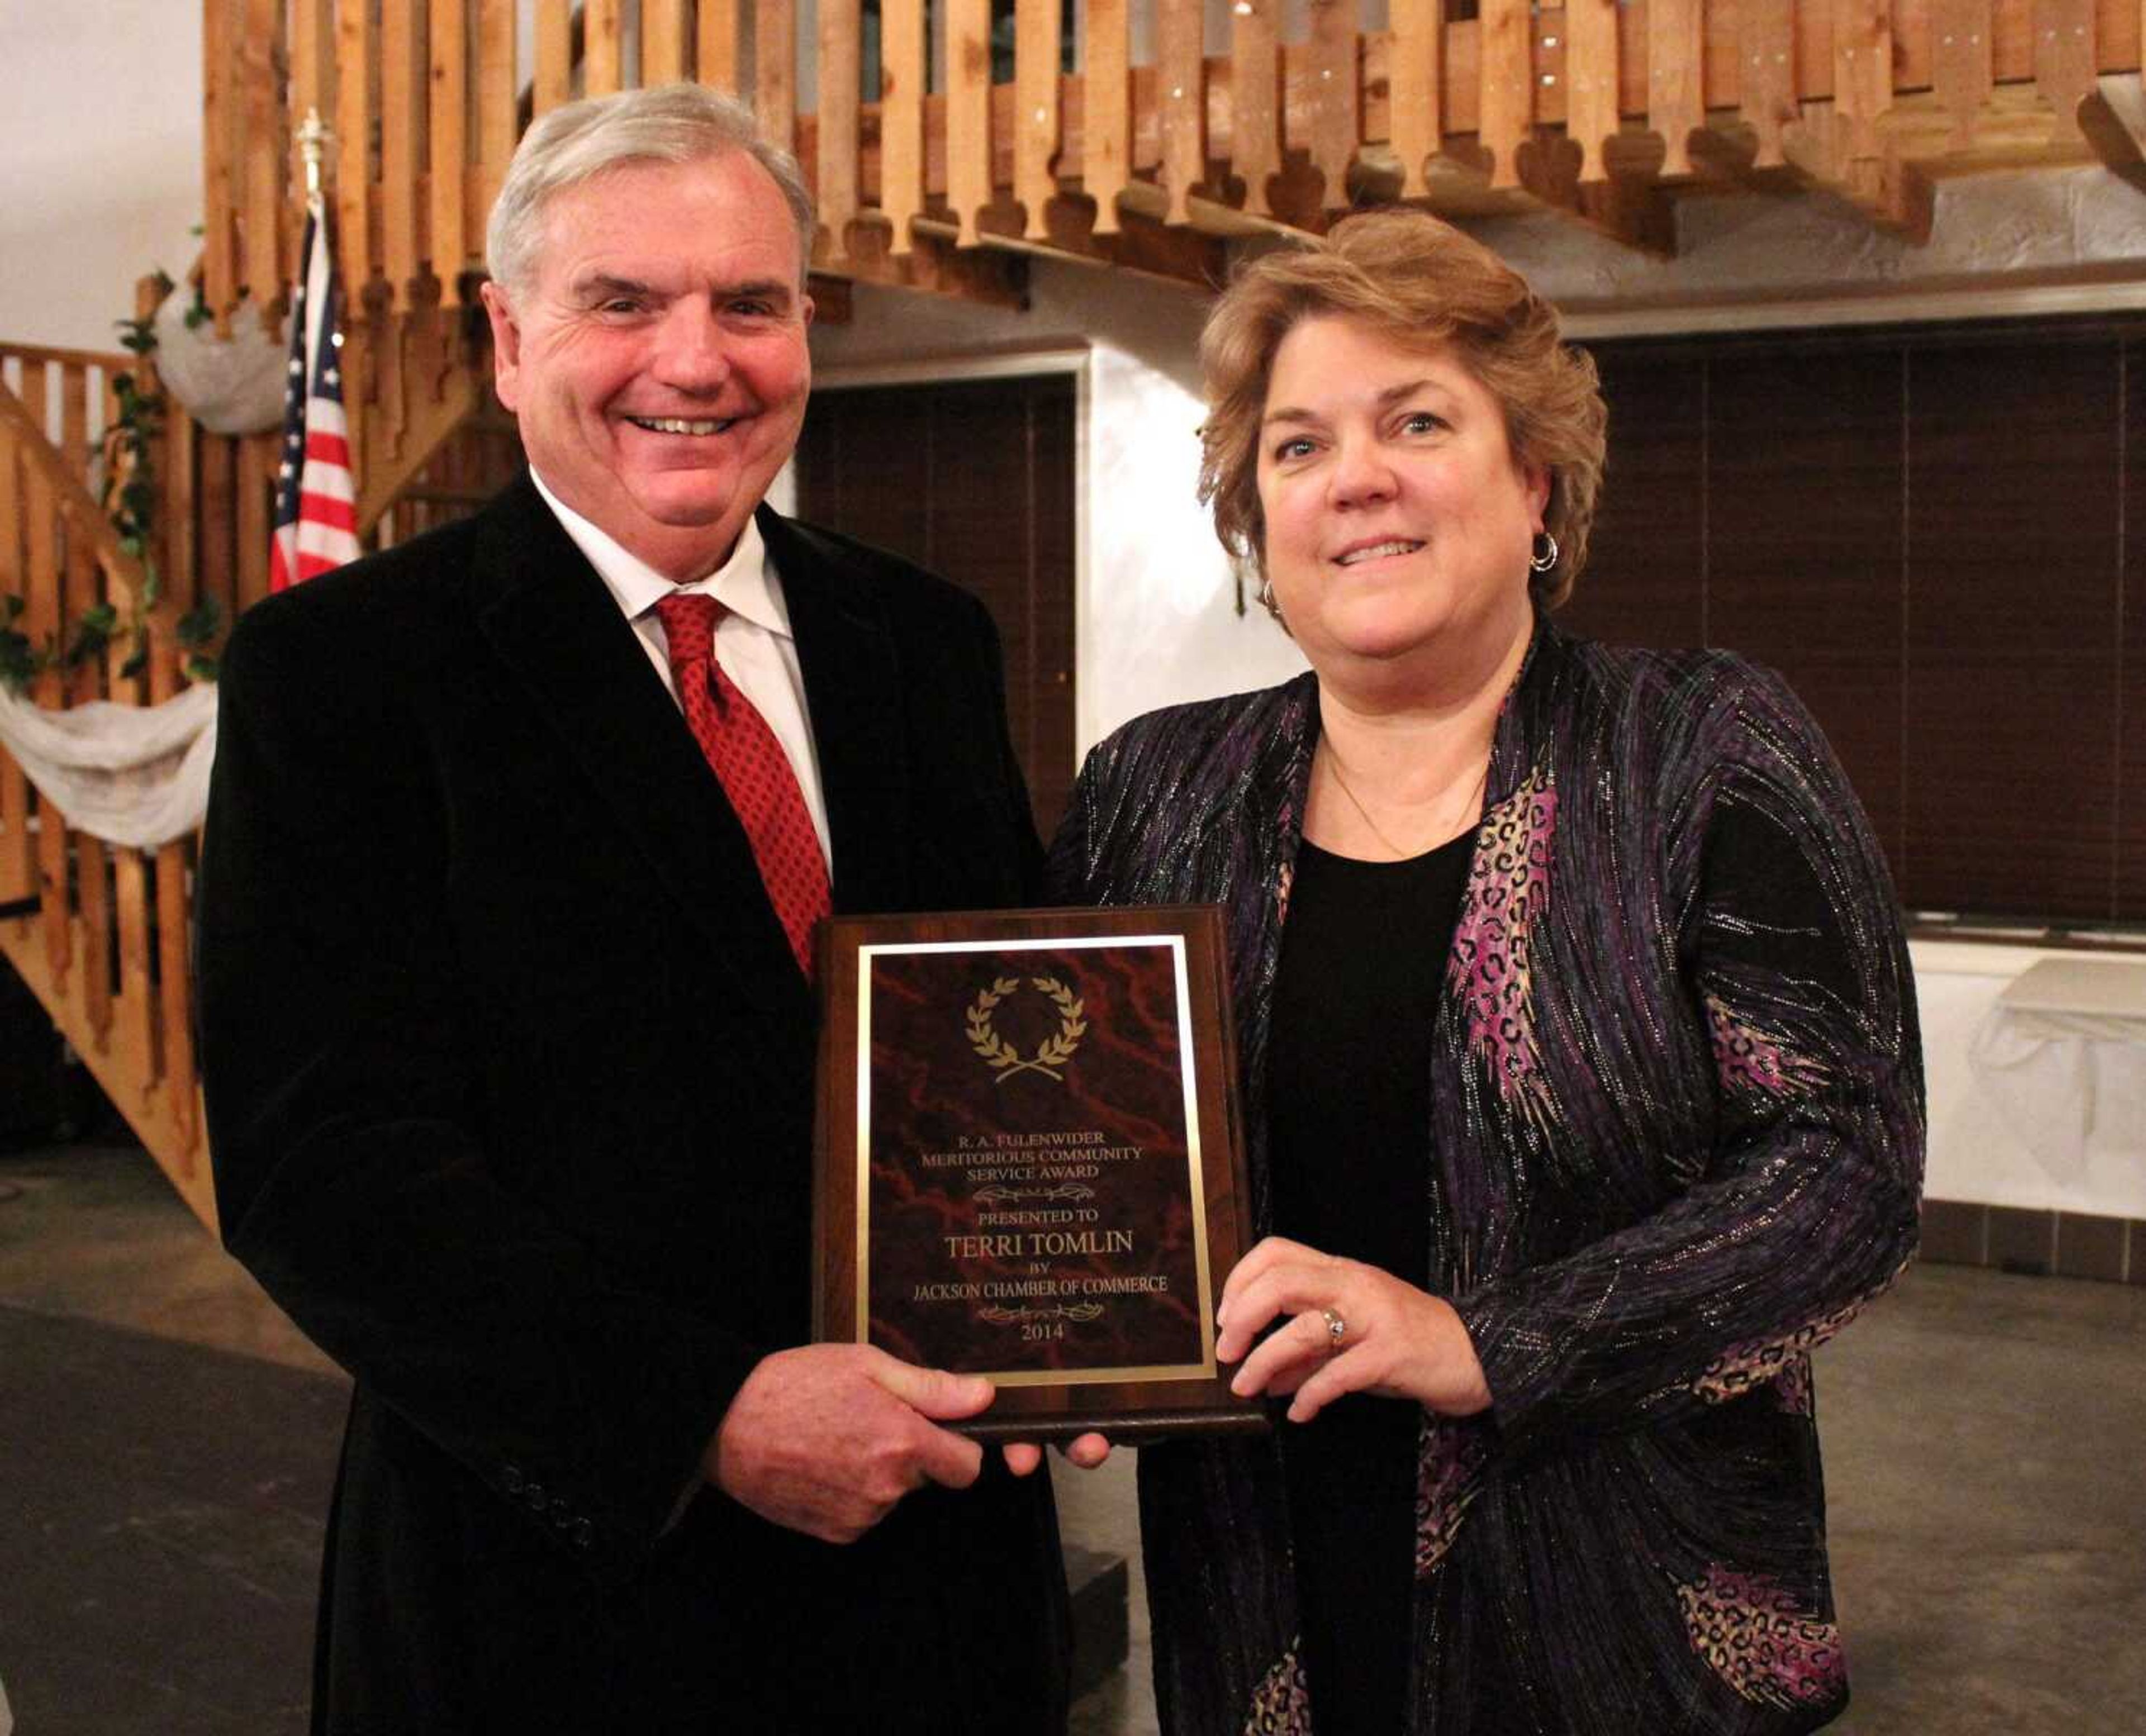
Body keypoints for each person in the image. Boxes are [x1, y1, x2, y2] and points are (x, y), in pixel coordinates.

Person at [198, 84, 1071, 1734]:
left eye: (751, 302)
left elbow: (981, 1056)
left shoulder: (925, 643)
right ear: (510, 337)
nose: (698, 358)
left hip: (936, 1589)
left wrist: (1080, 1315)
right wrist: (705, 1415)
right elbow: (324, 1162)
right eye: (624, 301)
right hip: (561, 1601)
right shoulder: (344, 674)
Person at [1047, 211, 1924, 1734]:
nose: (1358, 478)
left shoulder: (1701, 748)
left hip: (1628, 1594)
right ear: (1260, 521)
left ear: (1535, 483)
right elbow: (1057, 1128)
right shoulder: (1149, 789)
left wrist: (1487, 1343)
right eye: (1300, 445)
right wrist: (1033, 1330)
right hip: (1263, 1585)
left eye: (1417, 421)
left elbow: (1844, 1170)